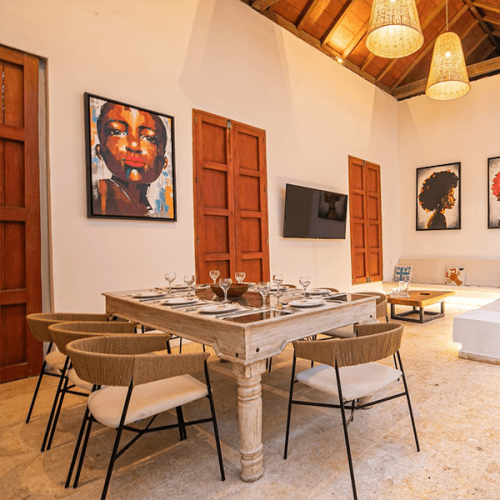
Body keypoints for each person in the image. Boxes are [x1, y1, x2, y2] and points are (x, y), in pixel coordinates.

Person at [93, 102, 169, 217]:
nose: (134, 145)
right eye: (117, 132)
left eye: (148, 137)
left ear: (164, 162)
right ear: (100, 151)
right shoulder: (99, 195)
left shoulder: (149, 209)